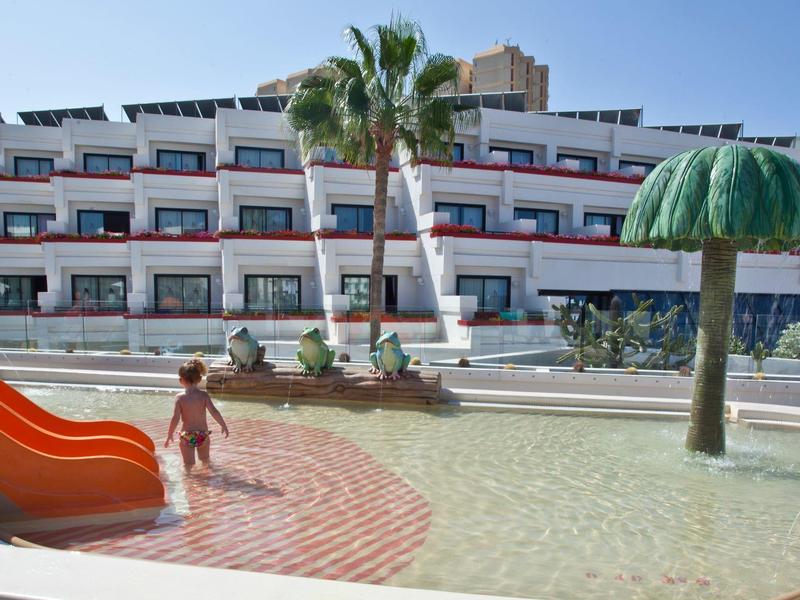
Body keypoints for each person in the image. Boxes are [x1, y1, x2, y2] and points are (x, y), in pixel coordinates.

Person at [165, 359, 229, 468]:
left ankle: (189, 479)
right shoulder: (203, 395)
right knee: (206, 462)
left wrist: (169, 434)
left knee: (188, 465)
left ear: (181, 380)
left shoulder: (180, 398)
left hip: (187, 436)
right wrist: (223, 425)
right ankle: (208, 478)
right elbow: (214, 411)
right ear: (199, 379)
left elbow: (175, 418)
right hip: (202, 435)